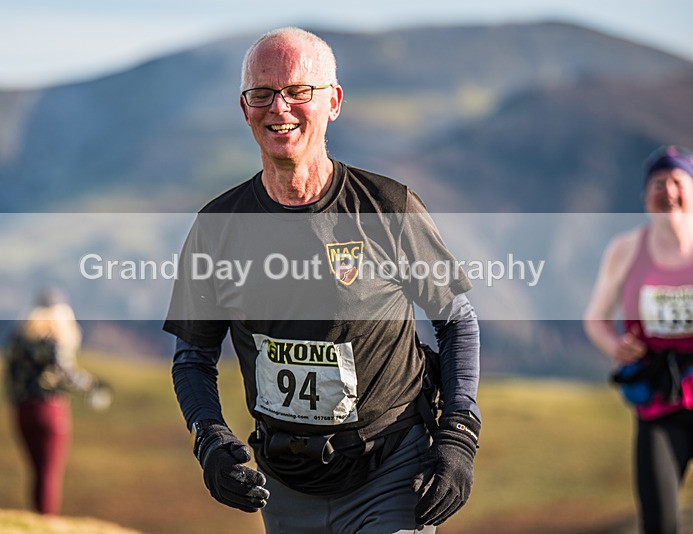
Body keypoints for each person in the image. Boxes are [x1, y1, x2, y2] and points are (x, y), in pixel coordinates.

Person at [163, 27, 481, 533]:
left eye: (298, 91)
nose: (279, 107)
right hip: (284, 485)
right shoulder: (217, 227)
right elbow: (193, 357)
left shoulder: (387, 207)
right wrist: (210, 439)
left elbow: (456, 320)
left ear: (332, 102)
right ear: (244, 108)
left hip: (392, 471)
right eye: (262, 94)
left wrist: (460, 433)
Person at [584, 145, 693, 534]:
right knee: (659, 522)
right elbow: (595, 319)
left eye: (677, 182)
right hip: (656, 400)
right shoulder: (625, 250)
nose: (668, 192)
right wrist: (615, 347)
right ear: (645, 197)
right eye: (658, 184)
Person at [4, 288, 109, 515]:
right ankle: (47, 522)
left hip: (21, 411)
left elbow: (10, 377)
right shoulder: (53, 340)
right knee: (49, 472)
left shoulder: (18, 339)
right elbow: (65, 373)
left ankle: (37, 519)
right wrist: (93, 386)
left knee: (36, 470)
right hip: (49, 410)